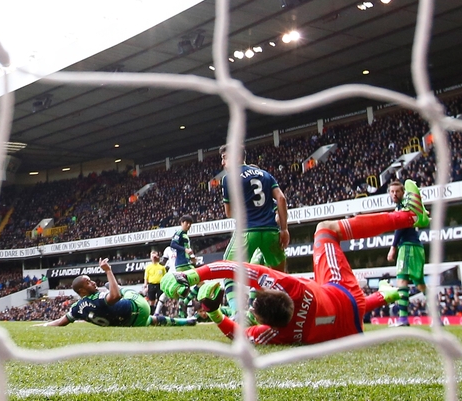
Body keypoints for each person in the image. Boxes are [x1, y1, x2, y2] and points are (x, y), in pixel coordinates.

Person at [161, 179, 430, 345]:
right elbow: (234, 267)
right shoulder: (291, 287)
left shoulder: (278, 335)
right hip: (346, 294)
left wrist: (214, 312)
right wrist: (193, 276)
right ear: (274, 291)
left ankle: (386, 295)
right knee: (325, 230)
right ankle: (409, 216)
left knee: (343, 305)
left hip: (351, 327)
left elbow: (239, 336)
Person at [219, 144, 290, 316]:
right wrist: (284, 229)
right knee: (279, 277)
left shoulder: (229, 178)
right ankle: (284, 315)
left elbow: (229, 213)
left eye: (225, 158)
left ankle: (238, 314)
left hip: (247, 231)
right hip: (272, 232)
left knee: (228, 271)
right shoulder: (266, 175)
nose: (223, 163)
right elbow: (281, 199)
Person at [37, 258, 195, 327]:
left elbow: (61, 322)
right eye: (88, 282)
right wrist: (108, 271)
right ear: (82, 290)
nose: (92, 282)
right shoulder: (97, 297)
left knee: (151, 320)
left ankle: (184, 322)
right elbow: (115, 296)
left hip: (127, 322)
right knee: (119, 290)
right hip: (137, 306)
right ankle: (185, 322)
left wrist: (44, 325)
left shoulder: (77, 308)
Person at [386, 180, 427, 327]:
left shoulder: (403, 207)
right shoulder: (406, 206)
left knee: (402, 280)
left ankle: (403, 319)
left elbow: (400, 228)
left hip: (408, 247)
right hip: (416, 246)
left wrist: (393, 247)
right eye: (392, 191)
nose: (394, 194)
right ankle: (438, 317)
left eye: (397, 191)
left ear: (403, 192)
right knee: (420, 284)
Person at [170, 214, 198, 318]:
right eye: (187, 223)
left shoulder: (185, 235)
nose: (189, 225)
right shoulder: (179, 232)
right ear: (182, 223)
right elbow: (172, 244)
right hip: (183, 264)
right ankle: (185, 302)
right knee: (200, 282)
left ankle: (182, 314)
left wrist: (192, 257)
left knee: (184, 288)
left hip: (185, 262)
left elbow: (187, 249)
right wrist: (185, 250)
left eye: (190, 223)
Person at [154, 246, 178, 315]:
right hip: (172, 274)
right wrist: (158, 260)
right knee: (165, 293)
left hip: (182, 273)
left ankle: (187, 315)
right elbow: (163, 262)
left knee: (186, 294)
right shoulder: (168, 249)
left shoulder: (184, 247)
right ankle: (156, 313)